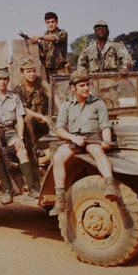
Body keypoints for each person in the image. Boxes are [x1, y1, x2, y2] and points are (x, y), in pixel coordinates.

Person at [49, 71, 118, 216]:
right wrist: (73, 138)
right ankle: (60, 200)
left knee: (98, 152)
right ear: (73, 88)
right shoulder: (66, 105)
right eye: (82, 85)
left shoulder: (98, 103)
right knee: (58, 158)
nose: (86, 88)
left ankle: (110, 185)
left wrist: (106, 140)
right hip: (74, 139)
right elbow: (59, 129)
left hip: (93, 138)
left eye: (87, 85)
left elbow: (105, 126)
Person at [0, 67, 40, 204]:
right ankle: (7, 189)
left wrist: (20, 137)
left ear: (8, 80)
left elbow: (20, 118)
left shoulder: (14, 97)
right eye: (0, 79)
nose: (2, 82)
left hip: (10, 131)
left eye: (5, 79)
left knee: (22, 151)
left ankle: (32, 188)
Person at [13, 57, 51, 161]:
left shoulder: (40, 81)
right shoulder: (18, 89)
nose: (32, 74)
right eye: (28, 71)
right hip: (31, 123)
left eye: (34, 71)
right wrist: (41, 116)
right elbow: (24, 109)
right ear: (22, 72)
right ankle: (35, 149)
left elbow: (52, 93)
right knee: (27, 118)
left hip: (44, 120)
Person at [29, 12, 69, 80]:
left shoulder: (62, 33)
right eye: (48, 22)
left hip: (60, 70)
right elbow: (41, 53)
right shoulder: (44, 36)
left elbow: (54, 38)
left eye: (52, 22)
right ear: (45, 23)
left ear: (57, 22)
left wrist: (40, 37)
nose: (50, 24)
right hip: (47, 70)